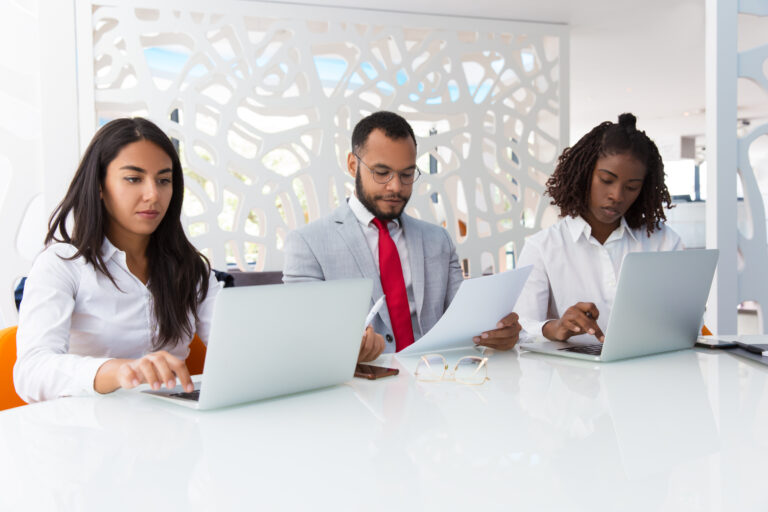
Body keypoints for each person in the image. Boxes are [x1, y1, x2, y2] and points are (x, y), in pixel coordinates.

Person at [283, 111, 521, 362]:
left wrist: (497, 333)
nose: (396, 186)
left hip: (438, 378)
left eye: (406, 174)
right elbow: (303, 339)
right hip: (363, 383)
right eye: (381, 172)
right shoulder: (308, 244)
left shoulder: (438, 240)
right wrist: (347, 348)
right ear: (353, 165)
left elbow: (466, 323)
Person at [14, 118, 221, 403]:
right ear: (100, 186)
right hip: (87, 424)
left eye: (163, 180)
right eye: (134, 179)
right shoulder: (62, 264)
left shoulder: (192, 269)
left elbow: (236, 348)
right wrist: (117, 370)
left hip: (173, 422)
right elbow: (31, 372)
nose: (153, 194)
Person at [515, 113, 683, 343]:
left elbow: (684, 323)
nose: (617, 195)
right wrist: (555, 328)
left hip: (652, 364)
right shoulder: (542, 247)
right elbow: (522, 330)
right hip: (570, 367)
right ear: (584, 175)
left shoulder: (665, 243)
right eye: (606, 180)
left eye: (632, 187)